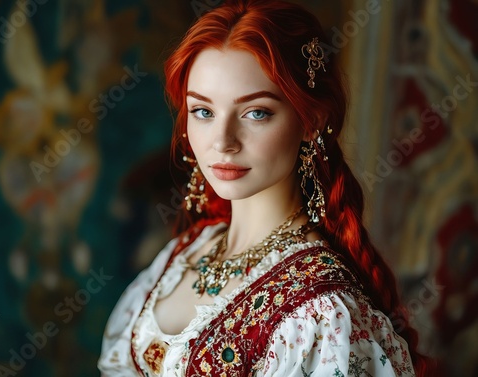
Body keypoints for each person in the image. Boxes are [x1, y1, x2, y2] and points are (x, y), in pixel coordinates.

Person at [98, 0, 432, 375]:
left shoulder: (321, 311)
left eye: (256, 113)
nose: (222, 141)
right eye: (203, 111)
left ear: (311, 122)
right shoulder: (185, 251)